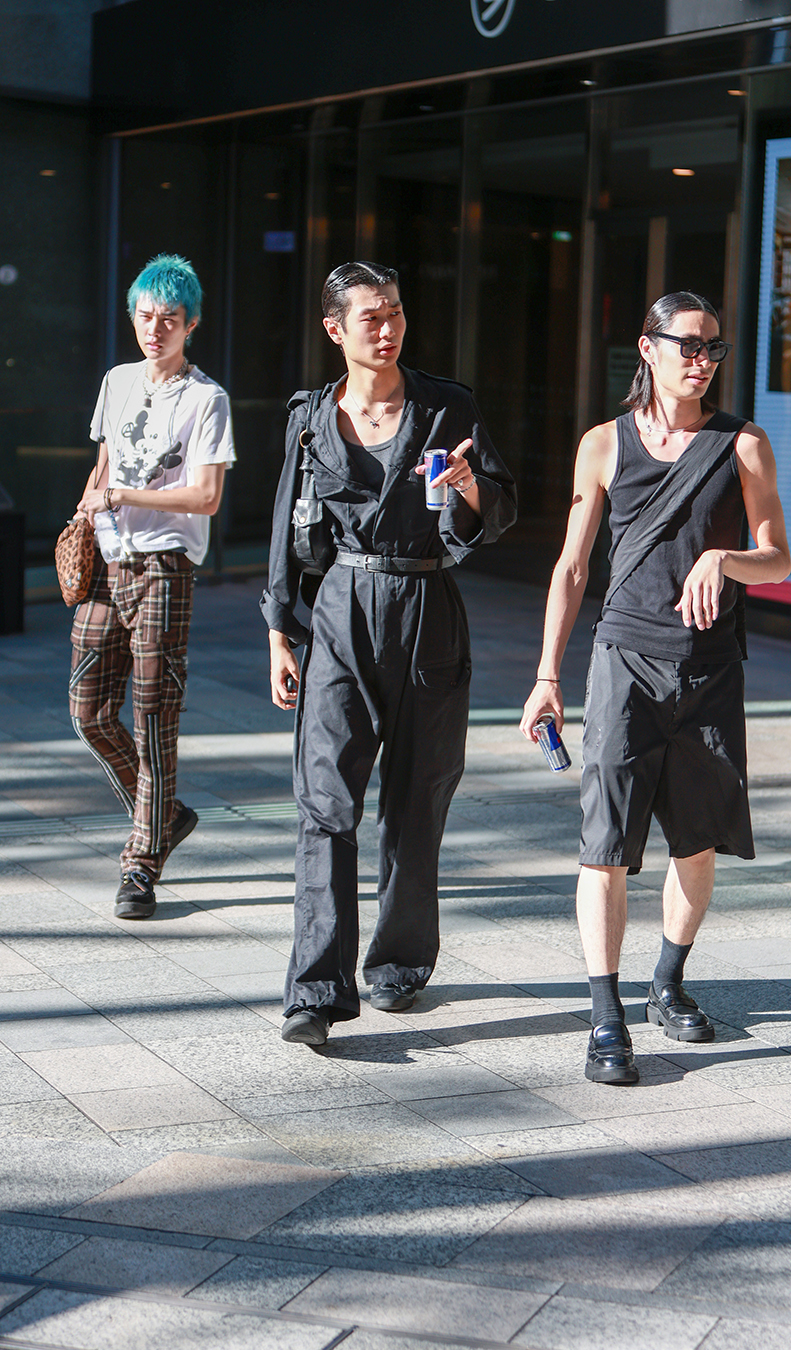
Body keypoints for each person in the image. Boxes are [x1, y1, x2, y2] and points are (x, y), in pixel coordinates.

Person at [520, 292, 790, 1086]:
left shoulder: (742, 444)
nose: (702, 360)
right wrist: (546, 676)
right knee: (604, 845)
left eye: (713, 348)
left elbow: (777, 557)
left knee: (697, 842)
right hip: (624, 664)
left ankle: (667, 981)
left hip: (710, 670)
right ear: (648, 347)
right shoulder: (604, 444)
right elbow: (572, 567)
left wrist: (725, 559)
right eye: (688, 345)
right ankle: (605, 1014)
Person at [262, 261, 516, 1046]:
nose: (388, 328)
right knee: (324, 802)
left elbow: (499, 510)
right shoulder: (311, 418)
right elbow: (284, 525)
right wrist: (279, 632)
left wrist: (468, 486)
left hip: (427, 605)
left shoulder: (446, 407)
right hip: (340, 609)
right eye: (371, 316)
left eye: (396, 312)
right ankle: (315, 991)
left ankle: (400, 963)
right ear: (335, 329)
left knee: (417, 799)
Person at [69, 254, 235, 920]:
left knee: (153, 717)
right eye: (145, 316)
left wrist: (123, 496)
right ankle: (165, 813)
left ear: (190, 324)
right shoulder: (116, 382)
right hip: (107, 563)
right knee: (87, 710)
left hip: (165, 566)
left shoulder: (207, 399)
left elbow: (206, 497)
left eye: (169, 318)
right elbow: (103, 465)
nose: (155, 328)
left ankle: (141, 864)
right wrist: (85, 516)